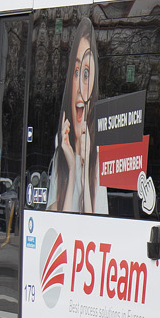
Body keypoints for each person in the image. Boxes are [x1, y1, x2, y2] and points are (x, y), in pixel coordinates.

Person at [50, 16, 107, 214]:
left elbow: (95, 228)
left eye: (86, 73)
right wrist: (73, 168)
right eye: (76, 72)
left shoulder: (99, 154)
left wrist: (89, 159)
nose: (81, 89)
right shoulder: (61, 148)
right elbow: (57, 227)